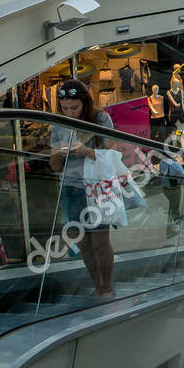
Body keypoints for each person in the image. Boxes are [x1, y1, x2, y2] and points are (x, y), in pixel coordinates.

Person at [49, 79, 117, 297]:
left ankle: (107, 285)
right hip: (70, 188)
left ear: (85, 103)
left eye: (74, 108)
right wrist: (60, 152)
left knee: (100, 242)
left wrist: (87, 151)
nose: (69, 113)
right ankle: (97, 284)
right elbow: (54, 166)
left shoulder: (100, 118)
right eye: (64, 108)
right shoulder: (59, 125)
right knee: (84, 244)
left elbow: (111, 154)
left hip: (95, 188)